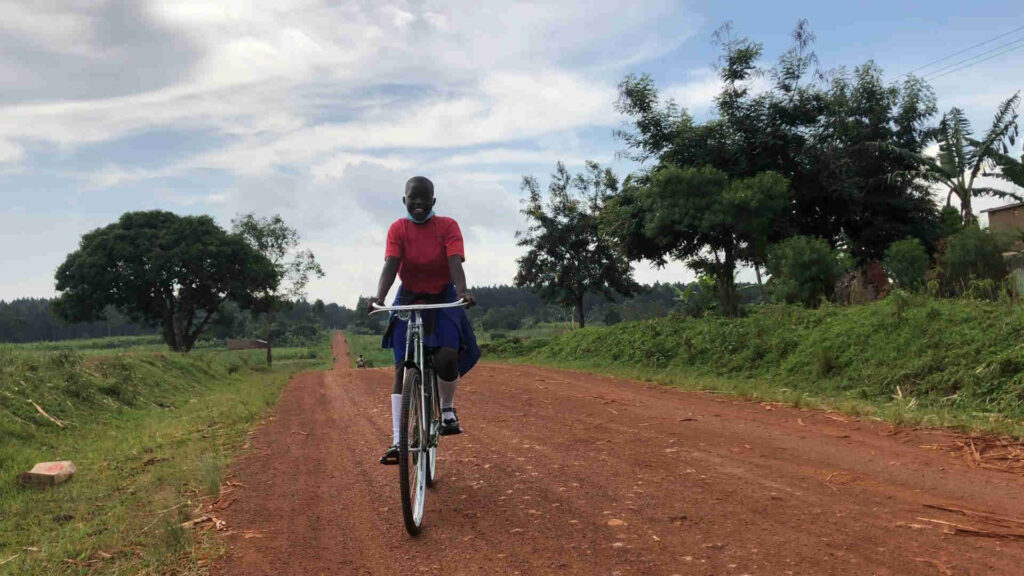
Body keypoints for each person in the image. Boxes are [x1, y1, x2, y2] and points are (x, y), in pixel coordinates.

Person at [369, 176, 480, 465]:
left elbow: (454, 261)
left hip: (443, 294)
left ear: (433, 201)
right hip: (408, 296)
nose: (418, 204)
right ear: (404, 200)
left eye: (424, 199)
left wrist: (463, 291)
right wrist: (379, 297)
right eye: (412, 199)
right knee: (401, 368)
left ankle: (446, 409)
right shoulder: (398, 229)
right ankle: (397, 440)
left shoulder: (448, 226)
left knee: (447, 355)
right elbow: (391, 265)